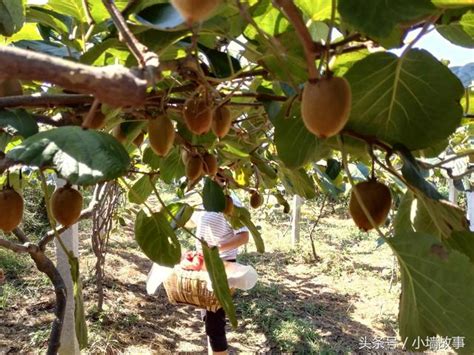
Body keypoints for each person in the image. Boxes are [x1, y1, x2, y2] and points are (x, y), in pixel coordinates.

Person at [191, 195, 249, 355]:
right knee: (209, 320)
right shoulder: (206, 198)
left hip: (221, 266)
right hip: (205, 265)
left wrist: (217, 248)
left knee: (215, 322)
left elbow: (244, 236)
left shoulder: (231, 203)